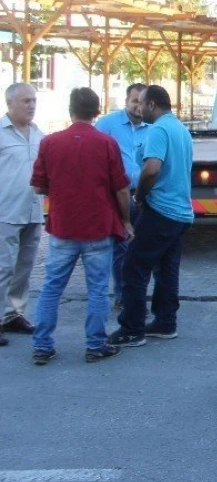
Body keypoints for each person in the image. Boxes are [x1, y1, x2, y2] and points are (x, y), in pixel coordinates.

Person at [30, 88, 132, 365]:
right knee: (98, 289)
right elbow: (121, 189)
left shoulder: (50, 143)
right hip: (98, 226)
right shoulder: (106, 143)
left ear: (70, 109)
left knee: (51, 287)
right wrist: (125, 221)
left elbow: (38, 185)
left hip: (63, 226)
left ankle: (42, 346)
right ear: (97, 111)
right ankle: (95, 345)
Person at [108, 85, 193, 348]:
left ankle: (132, 328)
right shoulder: (180, 128)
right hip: (181, 213)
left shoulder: (158, 129)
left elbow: (152, 168)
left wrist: (139, 197)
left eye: (142, 103)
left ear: (153, 105)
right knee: (166, 269)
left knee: (133, 266)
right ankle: (165, 323)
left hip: (161, 210)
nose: (138, 108)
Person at [96, 82, 149, 307]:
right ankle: (122, 295)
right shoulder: (107, 124)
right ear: (126, 101)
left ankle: (138, 294)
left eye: (143, 102)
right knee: (122, 248)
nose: (139, 106)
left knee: (143, 247)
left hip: (146, 195)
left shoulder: (154, 126)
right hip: (118, 196)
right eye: (134, 101)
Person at [0, 83, 44, 345]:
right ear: (10, 104)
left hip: (33, 211)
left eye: (34, 100)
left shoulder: (38, 134)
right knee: (3, 268)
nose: (31, 106)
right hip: (5, 211)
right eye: (26, 101)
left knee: (24, 268)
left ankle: (13, 315)